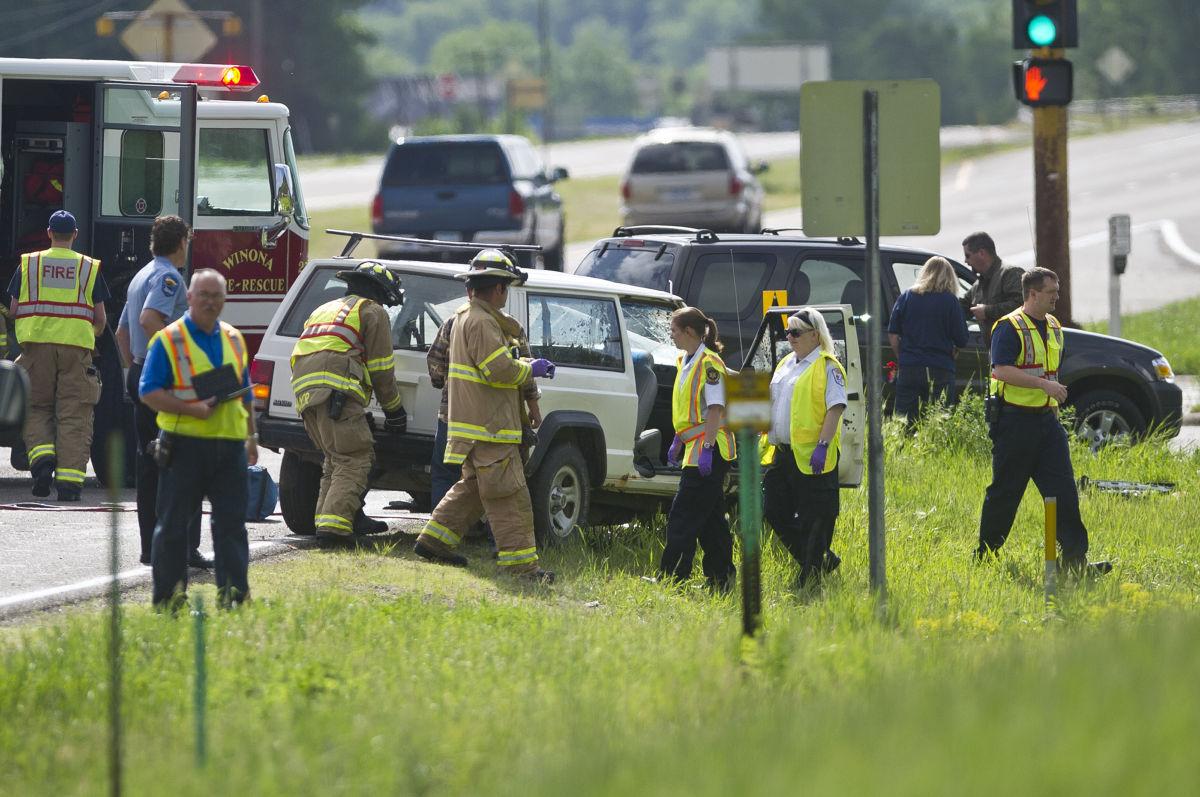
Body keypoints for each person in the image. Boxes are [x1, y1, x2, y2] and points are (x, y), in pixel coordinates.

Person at [412, 249, 557, 582]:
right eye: (506, 287)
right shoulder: (481, 321)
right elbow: (498, 369)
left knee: (473, 488)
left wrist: (530, 396)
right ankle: (522, 568)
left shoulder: (469, 316)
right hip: (490, 427)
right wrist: (530, 368)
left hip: (478, 426)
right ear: (498, 289)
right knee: (510, 496)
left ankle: (434, 542)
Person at [976, 267, 1112, 576]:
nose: (1057, 296)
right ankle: (984, 557)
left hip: (1047, 423)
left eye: (1057, 290)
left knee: (1063, 492)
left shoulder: (1052, 325)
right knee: (1006, 493)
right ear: (1032, 294)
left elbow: (1052, 369)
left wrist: (1051, 406)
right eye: (1051, 292)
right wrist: (1043, 387)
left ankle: (1075, 563)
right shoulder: (1008, 327)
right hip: (1014, 423)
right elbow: (1001, 370)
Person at [139, 270, 257, 609]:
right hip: (185, 445)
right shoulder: (168, 339)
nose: (209, 301)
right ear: (189, 298)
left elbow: (245, 392)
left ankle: (234, 598)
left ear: (224, 300)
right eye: (202, 294)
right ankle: (169, 601)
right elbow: (148, 392)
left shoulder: (234, 338)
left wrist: (252, 437)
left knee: (232, 527)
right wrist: (191, 409)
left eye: (215, 295)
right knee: (175, 527)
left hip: (231, 446)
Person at [290, 261, 407, 538]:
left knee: (334, 460)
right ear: (378, 292)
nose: (385, 306)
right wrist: (394, 411)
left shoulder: (323, 310)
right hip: (337, 393)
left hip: (306, 395)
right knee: (355, 458)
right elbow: (380, 369)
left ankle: (326, 522)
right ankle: (334, 529)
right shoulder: (371, 311)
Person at [115, 215, 208, 568]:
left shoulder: (142, 275)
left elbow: (123, 332)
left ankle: (151, 548)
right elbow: (150, 319)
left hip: (141, 372)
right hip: (167, 380)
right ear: (182, 241)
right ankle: (183, 547)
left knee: (150, 464)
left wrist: (137, 369)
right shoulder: (169, 277)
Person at [8, 210, 109, 500]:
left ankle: (41, 462)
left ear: (49, 232)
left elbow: (14, 310)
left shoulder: (29, 264)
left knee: (35, 407)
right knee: (74, 414)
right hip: (76, 350)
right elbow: (100, 318)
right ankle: (69, 485)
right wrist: (90, 335)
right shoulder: (88, 267)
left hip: (35, 348)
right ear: (75, 234)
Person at [427, 266, 541, 509]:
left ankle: (443, 535)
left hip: (453, 416)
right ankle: (491, 536)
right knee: (501, 479)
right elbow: (526, 372)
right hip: (495, 419)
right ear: (499, 289)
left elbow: (434, 363)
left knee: (447, 475)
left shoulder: (453, 322)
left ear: (470, 291)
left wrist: (450, 385)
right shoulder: (511, 327)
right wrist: (534, 411)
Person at [761, 308, 848, 589]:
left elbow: (835, 409)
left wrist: (823, 446)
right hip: (784, 452)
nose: (790, 337)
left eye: (796, 332)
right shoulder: (786, 363)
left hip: (814, 455)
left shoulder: (827, 366)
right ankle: (820, 560)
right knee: (773, 510)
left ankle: (809, 575)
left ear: (814, 334)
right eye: (787, 332)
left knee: (815, 518)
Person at [657, 306, 737, 591]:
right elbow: (691, 406)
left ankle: (672, 576)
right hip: (697, 446)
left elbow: (715, 408)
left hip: (709, 450)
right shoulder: (686, 360)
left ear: (689, 332)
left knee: (684, 514)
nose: (672, 335)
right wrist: (680, 438)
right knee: (711, 522)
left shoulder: (709, 363)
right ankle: (722, 577)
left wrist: (706, 446)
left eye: (675, 331)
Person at [887, 256, 969, 423]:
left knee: (903, 422)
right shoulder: (951, 302)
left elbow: (893, 334)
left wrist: (902, 356)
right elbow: (962, 339)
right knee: (938, 421)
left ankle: (904, 449)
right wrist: (955, 348)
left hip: (910, 367)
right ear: (950, 278)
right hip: (941, 368)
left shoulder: (907, 297)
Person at [960, 231, 1023, 346]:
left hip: (1015, 351)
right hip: (996, 353)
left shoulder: (1010, 273)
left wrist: (987, 311)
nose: (966, 261)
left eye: (968, 256)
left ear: (981, 253)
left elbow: (1022, 307)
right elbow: (961, 308)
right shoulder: (978, 285)